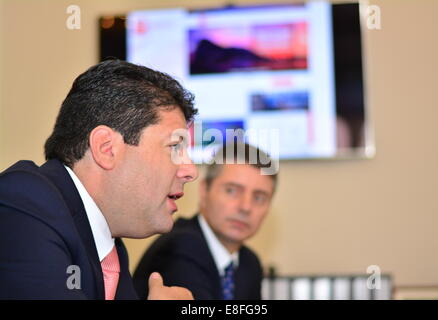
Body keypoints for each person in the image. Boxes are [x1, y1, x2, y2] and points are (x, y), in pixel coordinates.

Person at [0, 59, 199, 299]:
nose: (190, 171)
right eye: (175, 147)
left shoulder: (111, 249)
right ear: (106, 148)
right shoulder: (24, 204)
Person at [133, 142, 278, 300]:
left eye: (259, 197)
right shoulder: (181, 247)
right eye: (231, 190)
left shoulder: (249, 263)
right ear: (204, 191)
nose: (245, 207)